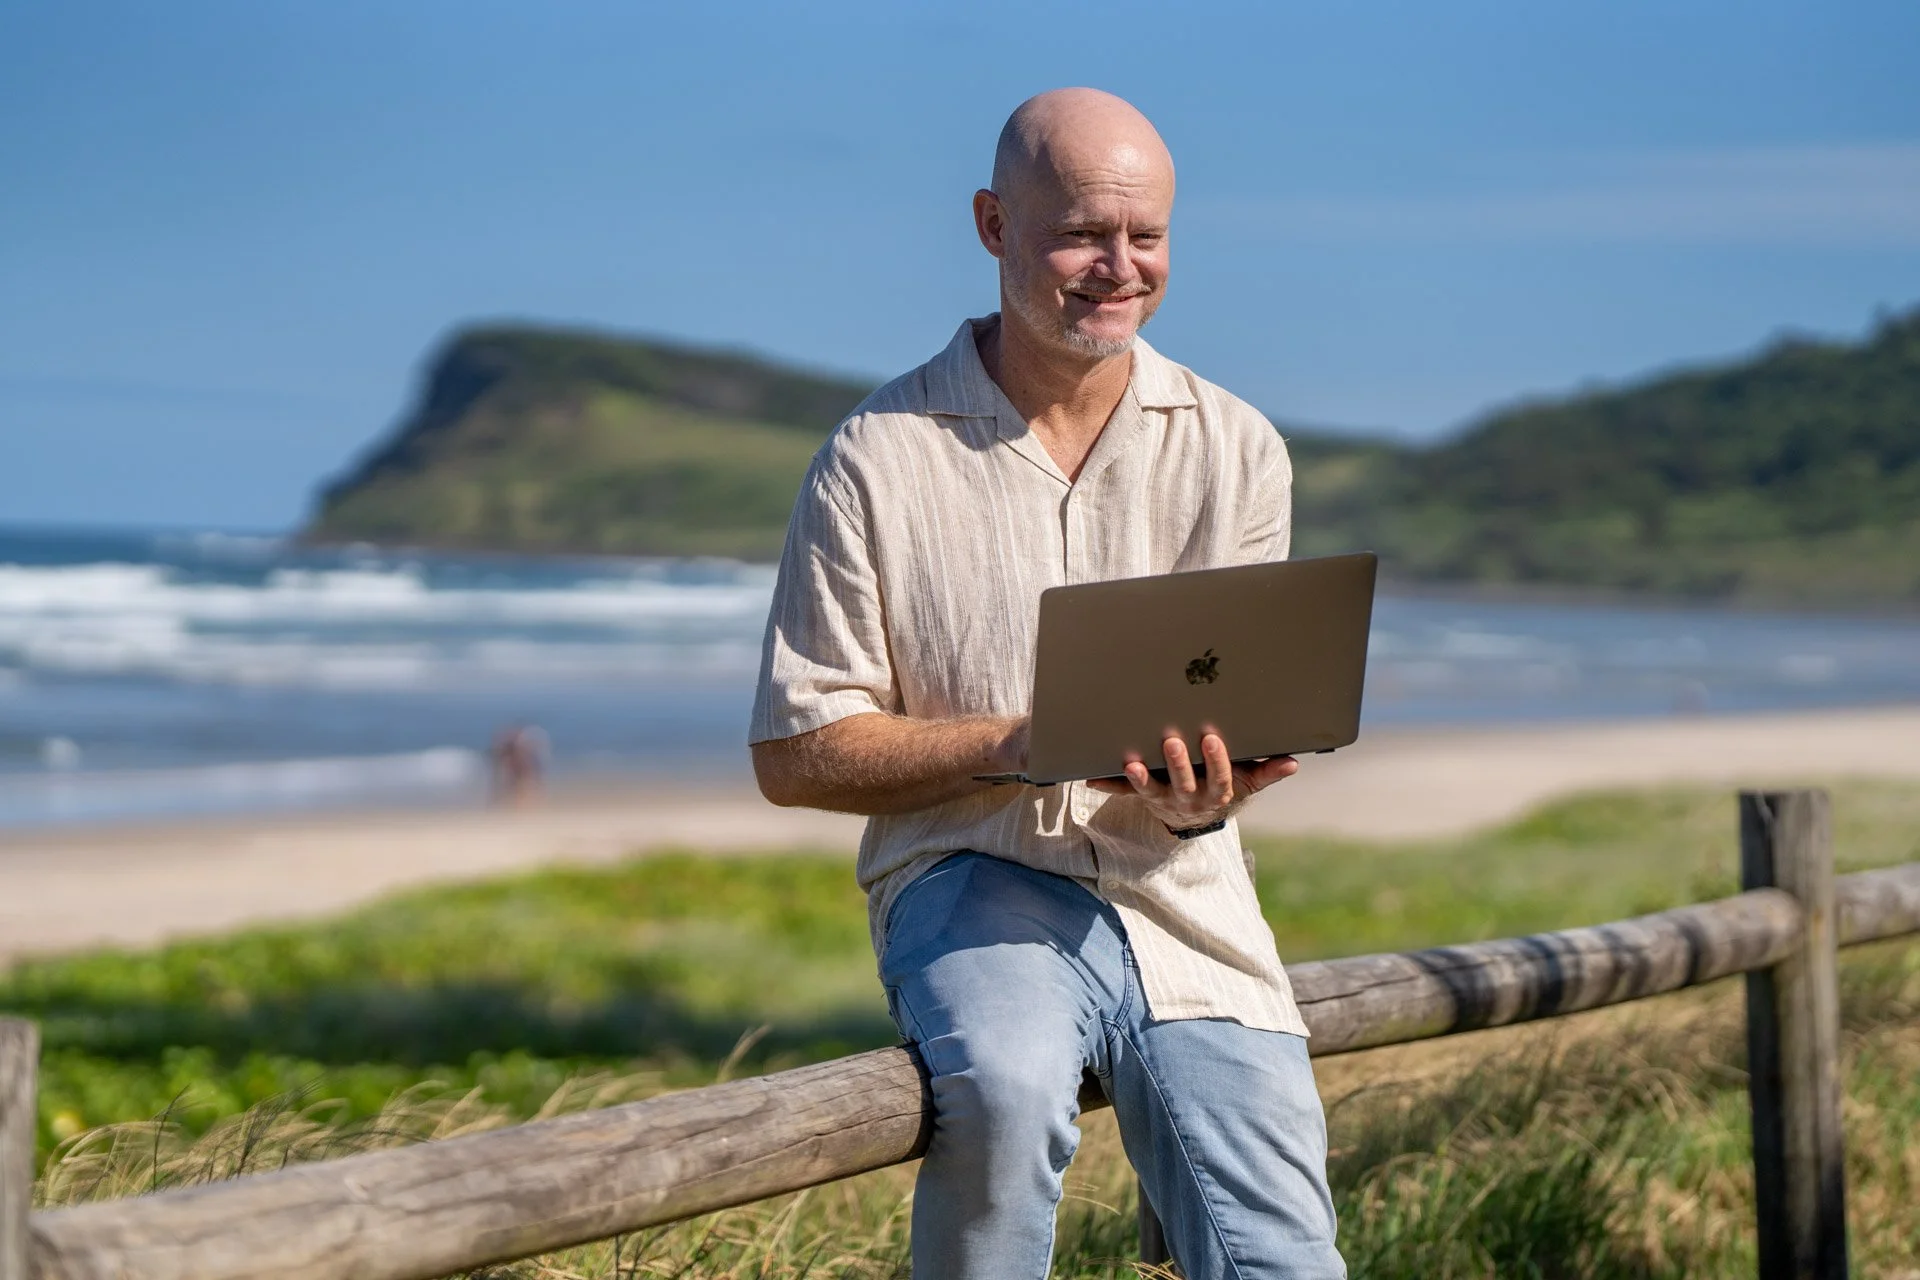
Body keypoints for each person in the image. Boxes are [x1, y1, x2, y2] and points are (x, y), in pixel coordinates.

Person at [749, 88, 1344, 1279]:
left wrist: (1204, 796)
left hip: (1184, 895)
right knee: (1007, 1101)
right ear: (992, 224)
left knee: (1282, 1247)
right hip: (967, 874)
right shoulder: (876, 454)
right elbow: (797, 750)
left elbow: (1216, 739)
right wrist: (1025, 737)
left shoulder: (1238, 445)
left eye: (1147, 236)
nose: (1118, 267)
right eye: (1083, 232)